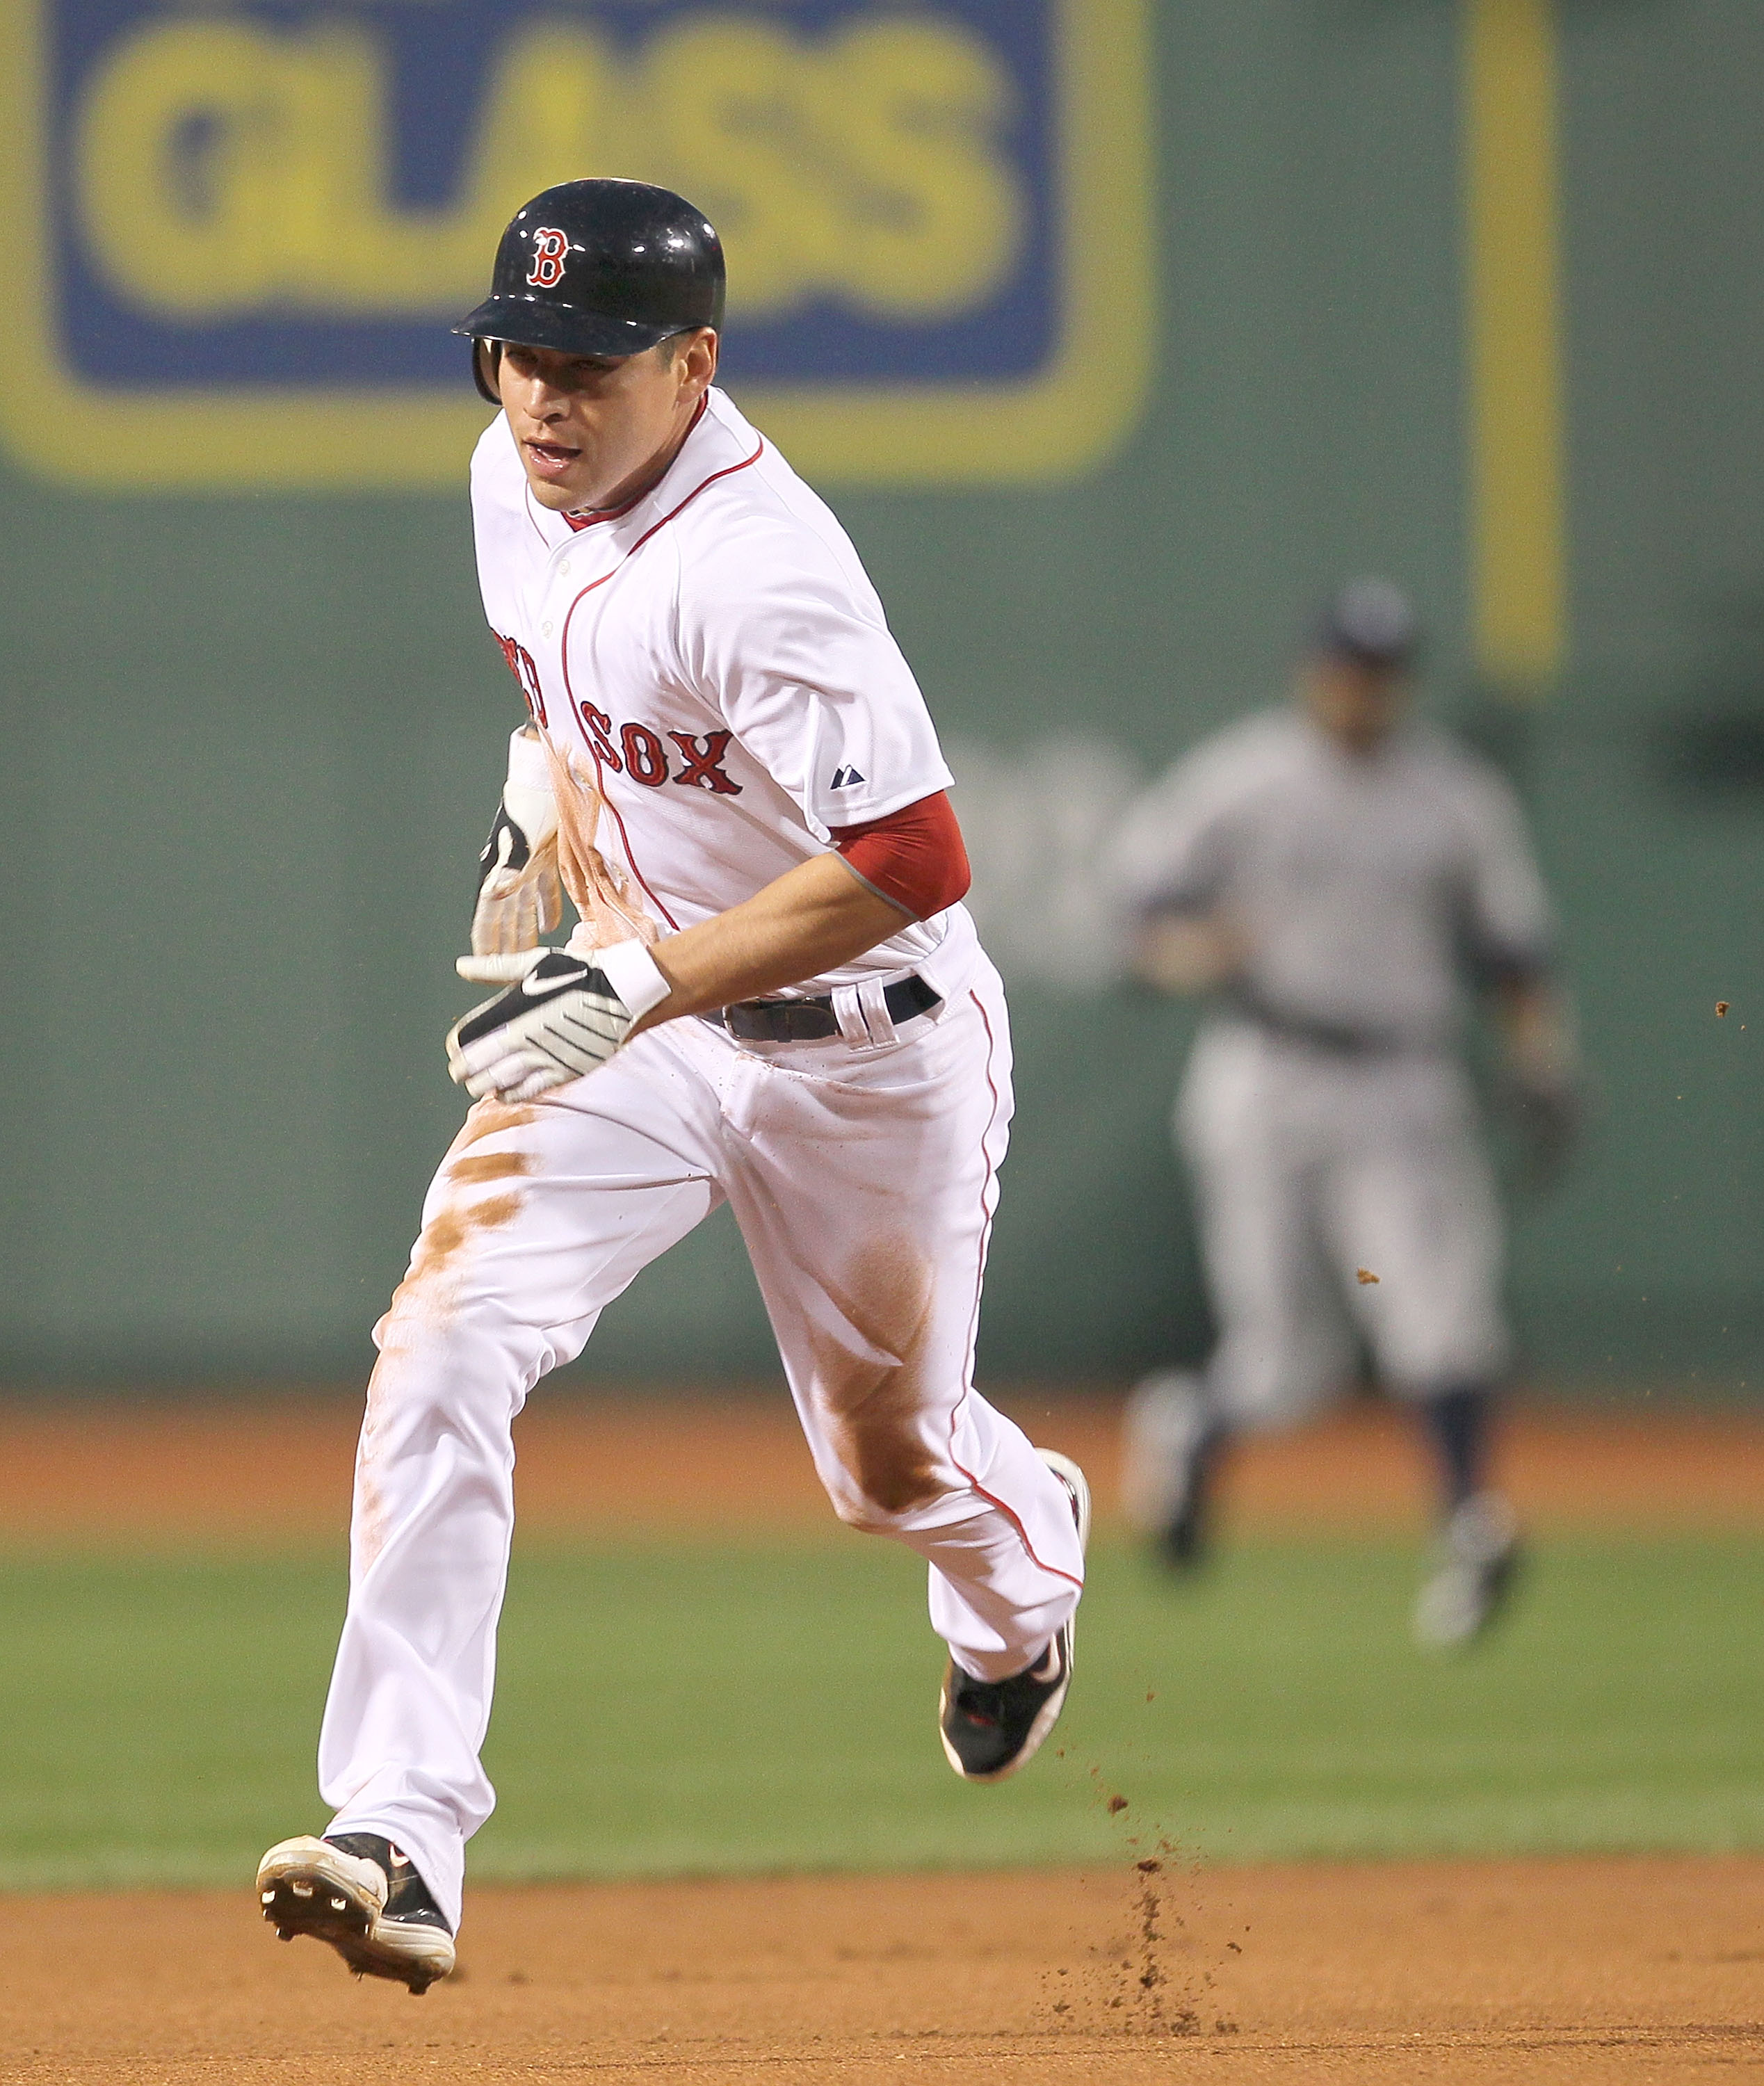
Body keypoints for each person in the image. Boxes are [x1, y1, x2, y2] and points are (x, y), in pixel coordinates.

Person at [253, 179, 1088, 1994]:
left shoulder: (761, 566)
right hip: (634, 1026)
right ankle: (401, 1829)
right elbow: (569, 694)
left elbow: (915, 859)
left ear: (693, 365)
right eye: (518, 353)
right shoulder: (512, 484)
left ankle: (1024, 1587)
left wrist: (633, 971)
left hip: (868, 1050)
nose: (543, 397)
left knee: (888, 1472)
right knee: (442, 1345)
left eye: (590, 364)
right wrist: (537, 815)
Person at [1110, 580, 1578, 1647]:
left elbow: (1514, 955)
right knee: (1283, 1362)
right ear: (1311, 670)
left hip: (1401, 1081)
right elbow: (1137, 910)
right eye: (1345, 668)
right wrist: (1187, 952)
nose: (1360, 690)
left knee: (1441, 1320)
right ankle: (1190, 1430)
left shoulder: (1453, 797)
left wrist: (1542, 1059)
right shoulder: (1245, 777)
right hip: (1265, 1070)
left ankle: (1468, 1528)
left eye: (1380, 672)